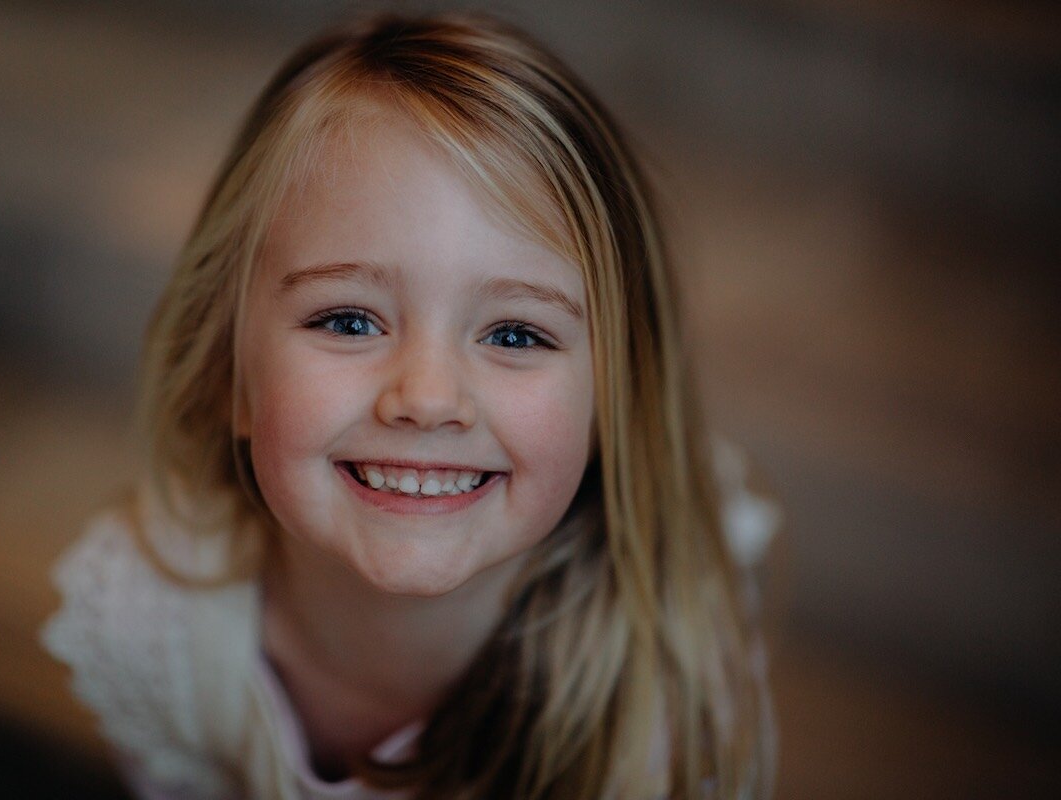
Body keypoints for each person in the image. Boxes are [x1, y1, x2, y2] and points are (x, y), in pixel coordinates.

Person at [42, 11, 778, 800]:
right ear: (227, 371)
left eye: (516, 333)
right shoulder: (157, 621)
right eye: (350, 320)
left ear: (614, 403)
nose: (428, 400)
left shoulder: (659, 700)